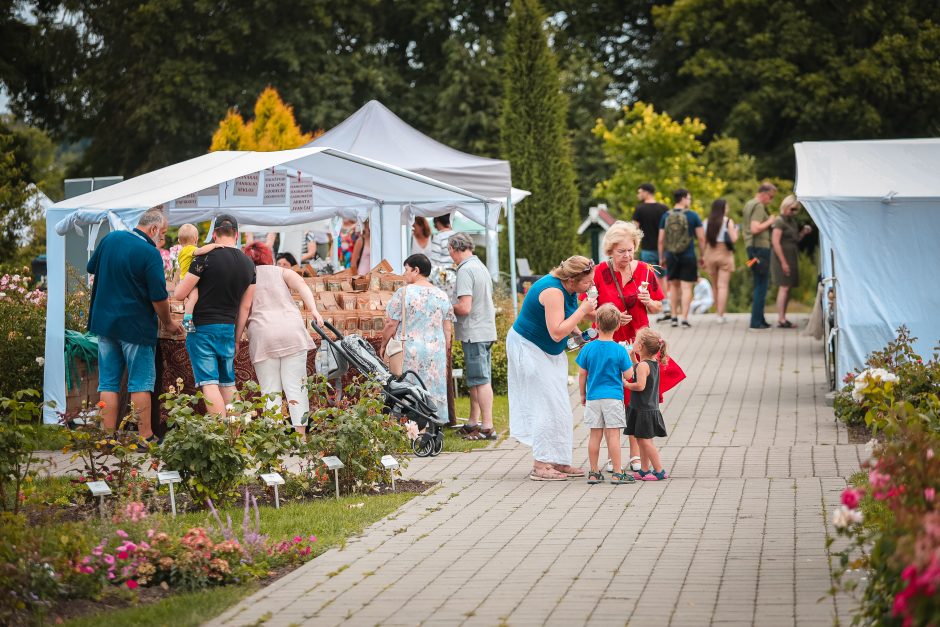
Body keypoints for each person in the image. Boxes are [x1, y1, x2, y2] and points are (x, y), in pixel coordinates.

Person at [590, 221, 685, 474]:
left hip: (639, 343)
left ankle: (634, 455)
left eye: (631, 250)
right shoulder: (599, 272)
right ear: (610, 250)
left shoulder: (644, 270)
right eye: (622, 251)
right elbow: (588, 308)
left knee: (636, 397)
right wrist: (609, 315)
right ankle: (614, 456)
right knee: (614, 397)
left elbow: (658, 307)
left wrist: (648, 301)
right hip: (610, 340)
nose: (628, 256)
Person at [86, 209, 183, 440]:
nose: (163, 240)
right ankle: (145, 437)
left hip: (105, 323)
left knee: (108, 382)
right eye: (163, 234)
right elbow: (159, 298)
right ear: (153, 229)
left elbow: (92, 268)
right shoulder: (149, 253)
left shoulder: (111, 238)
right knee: (140, 382)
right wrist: (168, 322)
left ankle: (107, 438)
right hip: (135, 326)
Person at [508, 256, 596, 481]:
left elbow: (565, 318)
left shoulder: (568, 289)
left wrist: (579, 333)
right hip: (529, 347)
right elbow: (557, 331)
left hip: (550, 350)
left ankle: (558, 459)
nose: (591, 286)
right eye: (587, 283)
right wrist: (583, 310)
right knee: (546, 404)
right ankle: (541, 465)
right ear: (572, 279)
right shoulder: (552, 291)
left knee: (560, 404)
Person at [235, 242, 323, 434]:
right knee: (296, 388)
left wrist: (236, 338)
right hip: (292, 332)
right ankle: (300, 437)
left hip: (263, 336)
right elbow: (301, 285)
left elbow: (243, 309)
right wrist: (314, 310)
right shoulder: (281, 272)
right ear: (269, 256)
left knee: (270, 391)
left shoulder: (244, 277)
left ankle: (274, 438)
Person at [174, 214, 256, 418]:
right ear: (236, 234)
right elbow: (245, 307)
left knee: (209, 383)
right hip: (228, 329)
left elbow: (180, 294)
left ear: (214, 234)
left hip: (202, 328)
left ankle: (220, 437)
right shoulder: (248, 264)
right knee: (228, 384)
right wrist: (237, 339)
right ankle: (235, 437)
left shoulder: (204, 257)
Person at [381, 254, 455, 424]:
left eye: (406, 269)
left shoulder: (404, 293)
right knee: (432, 386)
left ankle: (411, 422)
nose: (404, 274)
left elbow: (391, 323)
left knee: (409, 386)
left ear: (416, 270)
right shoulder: (442, 295)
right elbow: (447, 327)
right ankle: (433, 421)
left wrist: (384, 344)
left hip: (410, 349)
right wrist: (446, 351)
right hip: (435, 350)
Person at [577, 304, 635, 485]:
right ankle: (618, 472)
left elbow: (582, 374)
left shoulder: (587, 348)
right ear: (618, 325)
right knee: (613, 436)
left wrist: (582, 394)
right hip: (613, 398)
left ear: (596, 325)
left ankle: (594, 472)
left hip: (593, 397)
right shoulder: (619, 350)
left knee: (595, 435)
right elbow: (629, 375)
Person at [448, 233, 497, 441]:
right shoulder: (479, 266)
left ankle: (487, 426)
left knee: (481, 379)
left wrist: (445, 307)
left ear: (454, 248)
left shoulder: (466, 270)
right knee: (476, 379)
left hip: (475, 332)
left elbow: (465, 307)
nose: (449, 254)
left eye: (449, 250)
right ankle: (472, 422)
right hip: (484, 329)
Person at [625, 327, 670, 481]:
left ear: (641, 346)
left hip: (643, 409)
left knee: (645, 441)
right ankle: (644, 469)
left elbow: (640, 385)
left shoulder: (645, 365)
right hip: (646, 408)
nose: (633, 342)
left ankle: (659, 470)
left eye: (636, 341)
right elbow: (639, 368)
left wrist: (625, 384)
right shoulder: (650, 362)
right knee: (641, 439)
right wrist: (633, 358)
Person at [658, 188, 705, 328]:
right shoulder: (693, 216)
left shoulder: (666, 216)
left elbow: (661, 240)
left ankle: (673, 317)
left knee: (673, 286)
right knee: (686, 287)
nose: (689, 201)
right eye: (689, 198)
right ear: (683, 198)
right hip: (688, 254)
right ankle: (684, 319)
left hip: (671, 255)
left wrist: (661, 257)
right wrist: (703, 255)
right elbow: (701, 238)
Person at [771, 194, 812, 328]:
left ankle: (784, 316)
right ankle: (781, 319)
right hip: (782, 257)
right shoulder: (779, 221)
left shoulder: (792, 222)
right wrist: (783, 262)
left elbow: (794, 241)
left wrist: (803, 233)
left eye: (796, 210)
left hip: (791, 255)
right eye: (792, 209)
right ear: (785, 206)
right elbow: (775, 242)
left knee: (788, 288)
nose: (793, 212)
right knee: (783, 287)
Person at [742, 182, 778, 330]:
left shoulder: (749, 204)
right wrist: (770, 221)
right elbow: (755, 228)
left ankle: (760, 319)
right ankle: (756, 322)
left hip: (751, 247)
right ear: (763, 194)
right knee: (761, 285)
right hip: (760, 248)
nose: (770, 200)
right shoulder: (758, 205)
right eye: (770, 197)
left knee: (759, 283)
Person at [702, 199, 738, 322]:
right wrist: (736, 231)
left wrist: (702, 256)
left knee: (715, 286)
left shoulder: (706, 222)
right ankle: (720, 315)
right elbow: (733, 239)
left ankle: (717, 311)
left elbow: (703, 240)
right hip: (724, 254)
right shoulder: (728, 221)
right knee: (723, 286)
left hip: (710, 253)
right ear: (722, 208)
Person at [632, 183, 669, 270]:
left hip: (647, 250)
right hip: (664, 250)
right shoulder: (664, 208)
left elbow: (634, 231)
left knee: (649, 278)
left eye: (639, 192)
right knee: (664, 278)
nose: (638, 195)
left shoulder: (639, 209)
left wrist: (634, 250)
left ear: (646, 193)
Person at [176, 223, 201, 333]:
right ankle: (187, 321)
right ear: (196, 239)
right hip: (188, 280)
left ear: (178, 241)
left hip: (183, 279)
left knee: (190, 299)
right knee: (194, 298)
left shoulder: (182, 251)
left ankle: (188, 316)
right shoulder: (190, 249)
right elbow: (200, 251)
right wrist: (212, 246)